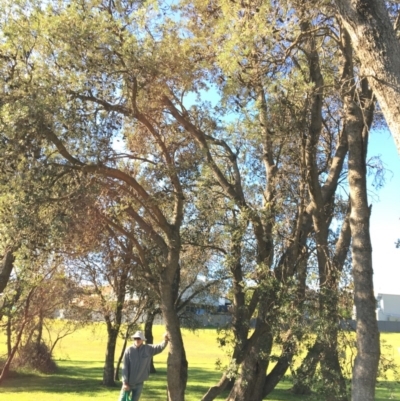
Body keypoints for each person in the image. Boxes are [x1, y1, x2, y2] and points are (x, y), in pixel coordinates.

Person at [118, 330, 169, 401]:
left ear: (142, 340)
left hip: (139, 383)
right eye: (135, 338)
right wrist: (125, 383)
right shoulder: (129, 350)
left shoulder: (148, 349)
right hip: (128, 383)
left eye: (139, 338)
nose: (137, 340)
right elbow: (125, 367)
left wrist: (165, 340)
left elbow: (159, 347)